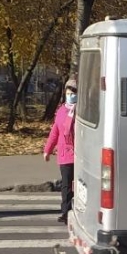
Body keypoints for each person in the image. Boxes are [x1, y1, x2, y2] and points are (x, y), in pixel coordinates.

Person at [44, 77, 77, 223]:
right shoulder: (61, 110)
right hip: (65, 154)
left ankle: (81, 211)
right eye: (69, 92)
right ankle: (66, 212)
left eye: (74, 92)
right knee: (66, 185)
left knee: (81, 185)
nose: (71, 95)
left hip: (81, 154)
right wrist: (48, 150)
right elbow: (55, 132)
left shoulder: (84, 110)